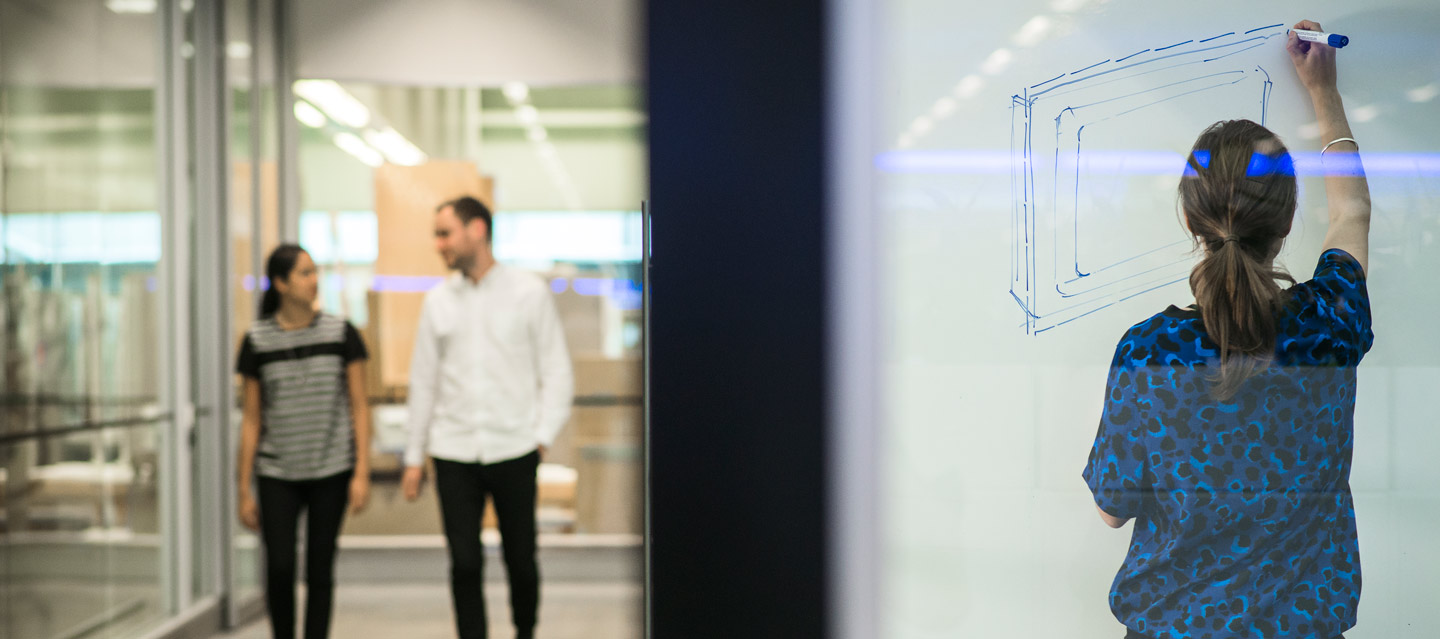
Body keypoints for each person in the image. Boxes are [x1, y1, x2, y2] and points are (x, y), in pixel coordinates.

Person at [1082, 20, 1372, 639]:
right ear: (1288, 219)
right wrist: (1324, 93)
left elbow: (1112, 510)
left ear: (1192, 219)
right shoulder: (1330, 325)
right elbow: (1352, 211)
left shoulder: (1149, 353)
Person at [401, 196, 574, 639]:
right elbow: (424, 381)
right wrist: (414, 456)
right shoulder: (438, 301)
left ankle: (524, 631)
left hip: (515, 447)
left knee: (521, 557)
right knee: (464, 563)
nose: (439, 244)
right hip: (453, 450)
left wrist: (541, 436)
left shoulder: (528, 292)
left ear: (477, 229)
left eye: (445, 233)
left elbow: (556, 370)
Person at [236, 244, 373, 639]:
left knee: (320, 568)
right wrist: (244, 488)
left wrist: (361, 471)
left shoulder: (341, 333)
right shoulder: (257, 341)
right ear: (280, 283)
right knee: (279, 566)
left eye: (315, 272)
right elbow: (251, 418)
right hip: (277, 470)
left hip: (331, 468)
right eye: (305, 273)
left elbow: (360, 407)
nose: (315, 281)